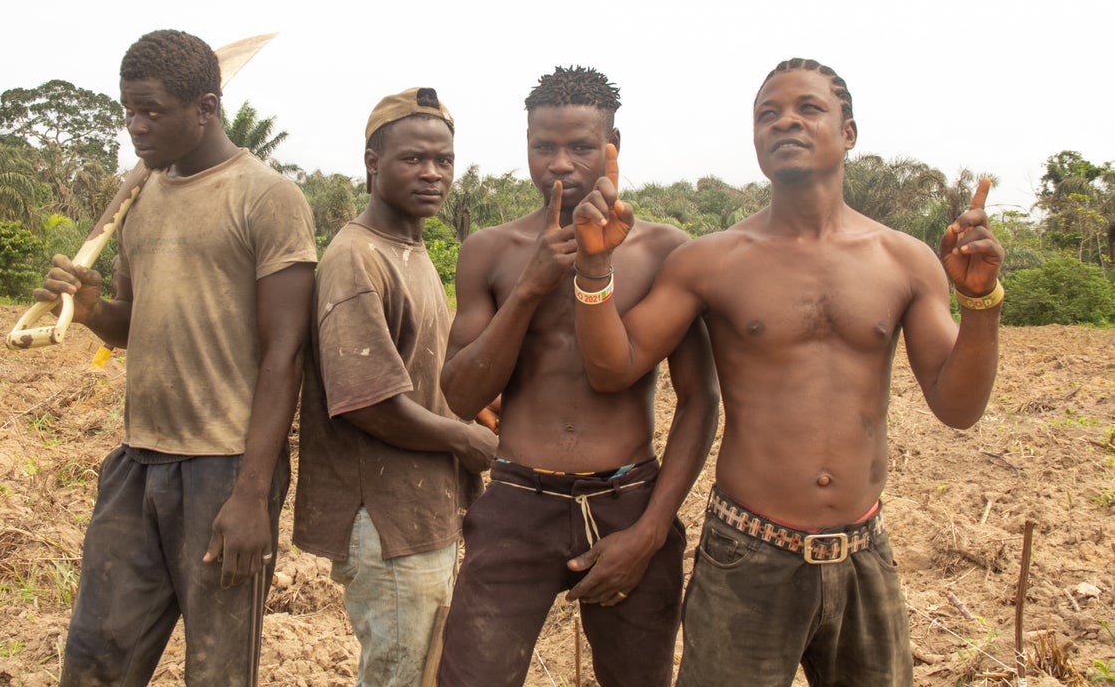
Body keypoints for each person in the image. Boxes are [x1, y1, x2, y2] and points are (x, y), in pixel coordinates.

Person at [572, 57, 1005, 687]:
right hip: (746, 554)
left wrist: (980, 305)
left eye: (807, 108)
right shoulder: (712, 262)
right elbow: (615, 368)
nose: (785, 122)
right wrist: (594, 269)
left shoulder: (904, 260)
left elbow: (957, 407)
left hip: (864, 554)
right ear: (754, 140)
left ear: (849, 132)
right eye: (767, 114)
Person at [35, 30, 317, 686]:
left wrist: (252, 495)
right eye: (128, 110)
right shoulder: (140, 200)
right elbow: (130, 326)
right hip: (137, 463)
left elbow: (286, 354)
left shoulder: (267, 198)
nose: (136, 126)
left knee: (218, 670)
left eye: (153, 110)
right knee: (95, 660)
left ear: (206, 109)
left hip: (225, 471)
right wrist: (88, 306)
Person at [435, 67, 720, 687]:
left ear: (613, 145)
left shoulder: (666, 251)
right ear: (527, 145)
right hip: (516, 501)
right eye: (544, 146)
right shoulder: (491, 250)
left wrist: (649, 532)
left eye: (581, 147)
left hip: (628, 499)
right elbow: (460, 395)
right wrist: (531, 287)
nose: (560, 163)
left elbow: (701, 402)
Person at [292, 87, 497, 687]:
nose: (433, 174)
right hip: (386, 519)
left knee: (422, 666)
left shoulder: (411, 250)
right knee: (398, 675)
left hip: (419, 509)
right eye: (413, 159)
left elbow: (415, 372)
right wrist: (464, 442)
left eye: (444, 160)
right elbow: (367, 402)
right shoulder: (357, 258)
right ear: (373, 163)